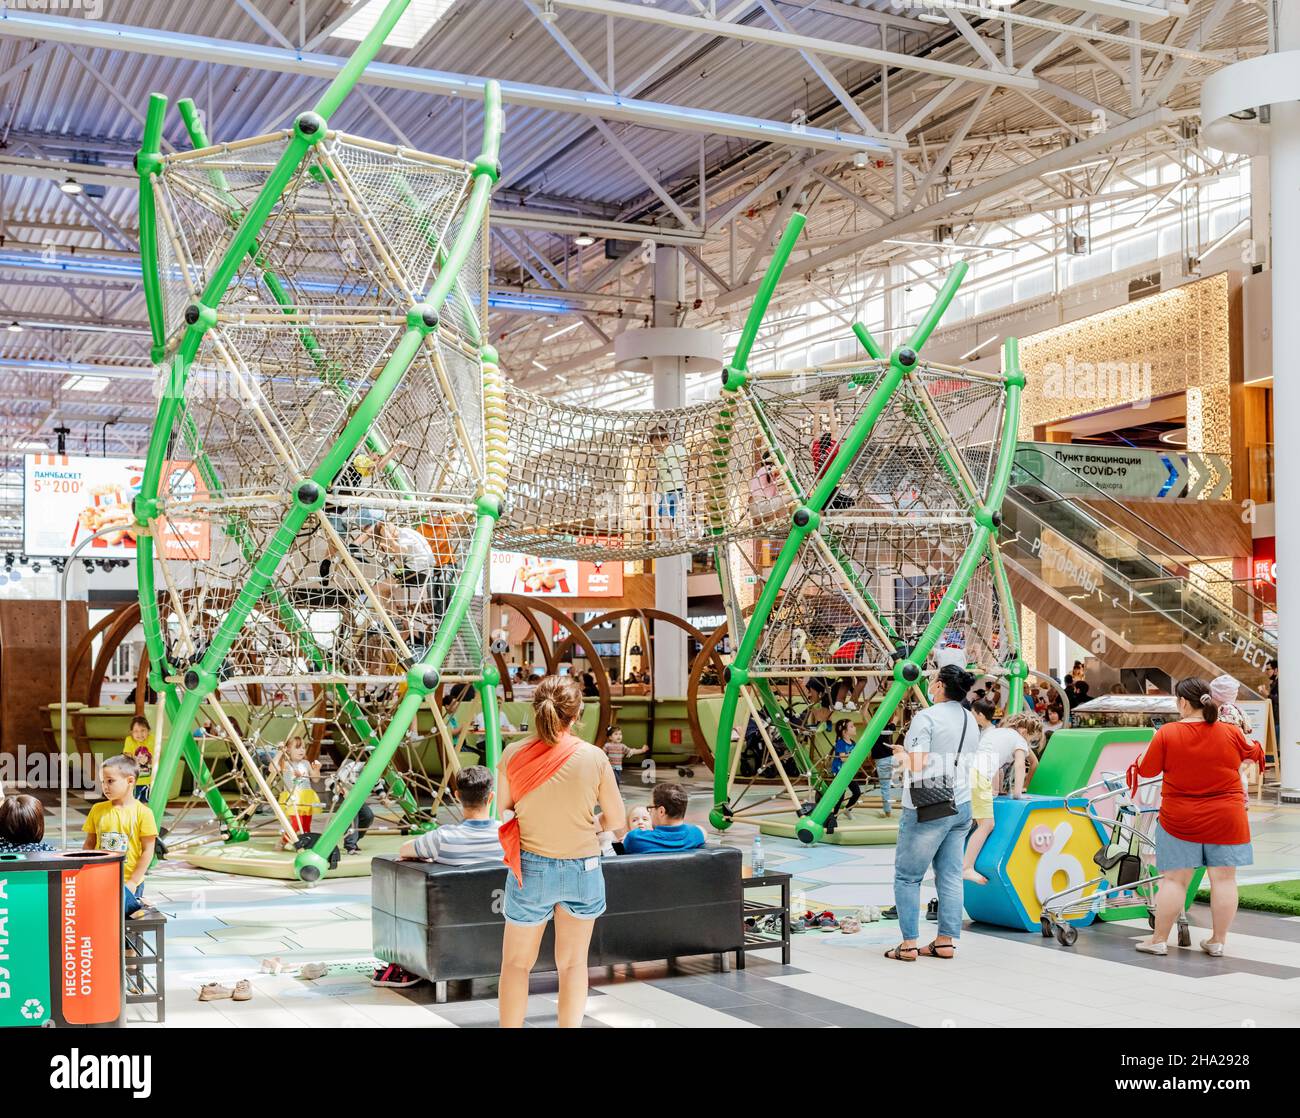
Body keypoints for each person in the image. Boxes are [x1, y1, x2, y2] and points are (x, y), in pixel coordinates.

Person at [497, 675, 626, 1028]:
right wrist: (587, 825)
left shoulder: (513, 754)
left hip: (531, 869)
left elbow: (503, 813)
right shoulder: (594, 757)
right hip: (583, 867)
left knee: (516, 964)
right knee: (572, 965)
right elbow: (616, 821)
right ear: (578, 712)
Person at [1133, 677, 1265, 958]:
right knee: (1225, 880)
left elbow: (1145, 770)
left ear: (1182, 703)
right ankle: (1217, 941)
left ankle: (1158, 940)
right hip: (1227, 817)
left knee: (1174, 881)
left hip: (1179, 819)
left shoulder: (1167, 733)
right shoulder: (1229, 732)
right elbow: (1255, 753)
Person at [884, 659, 978, 962]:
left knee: (908, 877)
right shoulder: (970, 718)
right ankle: (945, 942)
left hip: (927, 807)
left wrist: (901, 754)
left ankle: (909, 944)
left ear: (939, 686)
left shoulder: (926, 717)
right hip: (961, 803)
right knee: (950, 876)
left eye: (933, 680)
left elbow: (918, 763)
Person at [963, 704, 1041, 884]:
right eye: (1031, 739)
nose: (1029, 744)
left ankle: (951, 863)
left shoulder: (996, 733)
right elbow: (1021, 765)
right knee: (987, 825)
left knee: (970, 823)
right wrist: (1017, 793)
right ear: (1023, 731)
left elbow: (996, 768)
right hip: (979, 777)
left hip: (966, 774)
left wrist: (996, 791)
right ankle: (966, 867)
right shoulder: (1019, 740)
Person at [83, 755, 158, 917]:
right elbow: (89, 844)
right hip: (100, 879)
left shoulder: (144, 813)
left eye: (110, 781)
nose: (105, 786)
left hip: (130, 884)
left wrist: (132, 882)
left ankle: (129, 942)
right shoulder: (97, 809)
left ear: (130, 781)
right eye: (103, 781)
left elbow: (147, 852)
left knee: (124, 923)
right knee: (101, 919)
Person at [399, 765, 503, 865]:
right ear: (491, 797)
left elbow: (404, 850)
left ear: (457, 796)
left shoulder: (441, 838)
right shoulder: (508, 834)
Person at [621, 783, 706, 853]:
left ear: (661, 811)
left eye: (651, 808)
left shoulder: (635, 838)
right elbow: (702, 831)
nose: (650, 812)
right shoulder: (696, 834)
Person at [274, 736, 321, 849]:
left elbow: (315, 779)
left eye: (303, 748)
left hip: (306, 796)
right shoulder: (285, 763)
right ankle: (283, 841)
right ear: (288, 750)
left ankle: (306, 843)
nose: (301, 750)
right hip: (293, 797)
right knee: (296, 823)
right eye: (298, 748)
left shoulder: (306, 763)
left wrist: (317, 769)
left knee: (305, 825)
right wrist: (280, 752)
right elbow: (272, 768)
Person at [830, 719, 862, 816]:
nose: (855, 727)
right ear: (844, 731)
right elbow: (843, 758)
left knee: (857, 792)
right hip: (840, 772)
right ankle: (834, 815)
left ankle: (847, 810)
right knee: (840, 795)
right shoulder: (840, 743)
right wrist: (854, 755)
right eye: (851, 726)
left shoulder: (853, 743)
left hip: (848, 773)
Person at [122, 716, 156, 804]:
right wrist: (136, 759)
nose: (140, 734)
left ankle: (145, 816)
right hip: (135, 780)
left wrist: (148, 759)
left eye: (143, 730)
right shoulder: (129, 740)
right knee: (134, 802)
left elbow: (155, 756)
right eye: (136, 731)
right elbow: (127, 755)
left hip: (149, 780)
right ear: (131, 733)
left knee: (147, 802)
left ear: (148, 730)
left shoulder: (152, 739)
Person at [871, 720, 897, 817]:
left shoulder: (874, 727)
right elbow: (897, 716)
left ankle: (888, 812)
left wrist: (865, 706)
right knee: (889, 785)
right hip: (893, 758)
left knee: (885, 787)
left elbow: (865, 715)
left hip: (883, 761)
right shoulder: (890, 726)